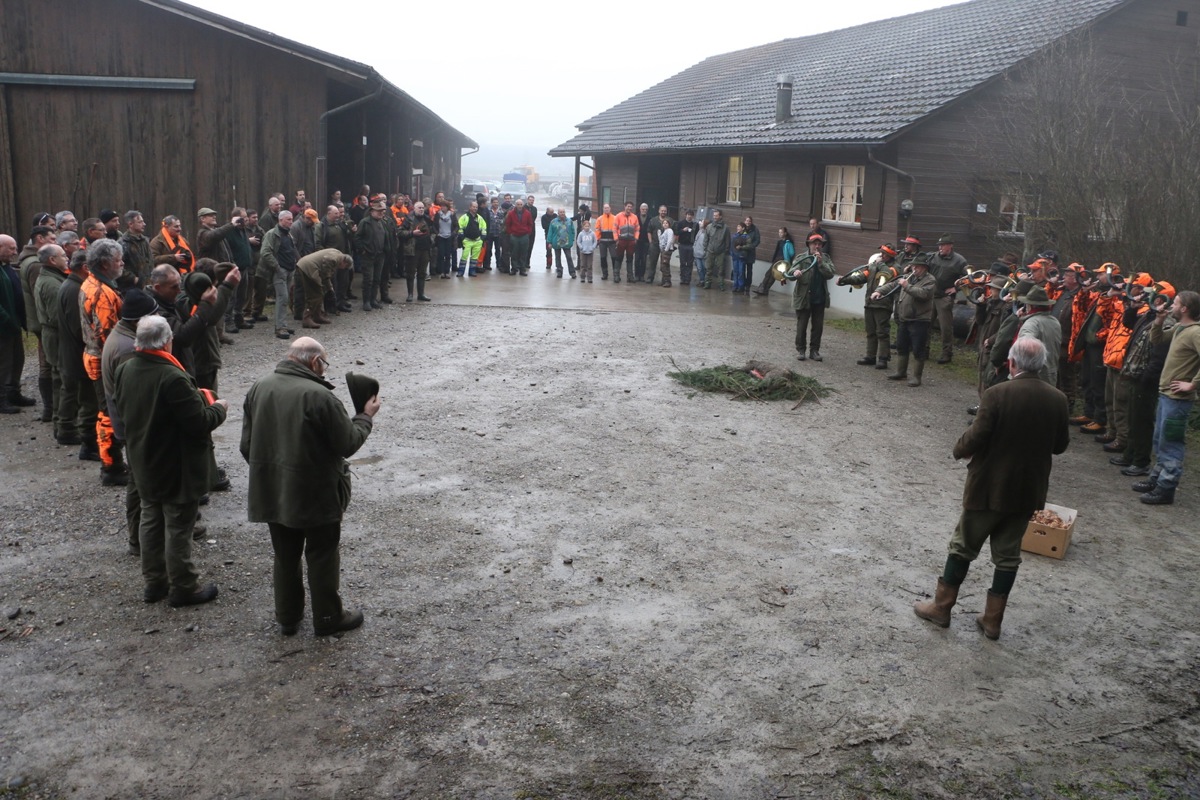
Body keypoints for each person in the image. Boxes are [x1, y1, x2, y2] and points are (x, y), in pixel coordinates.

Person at [913, 337, 1068, 640]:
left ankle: (942, 608)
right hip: (1027, 490)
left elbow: (976, 436)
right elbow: (1060, 446)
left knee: (962, 546)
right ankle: (993, 621)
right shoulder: (1058, 399)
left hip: (988, 487)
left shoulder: (997, 394)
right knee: (1008, 556)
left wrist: (959, 449)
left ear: (1012, 363)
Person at [241, 337, 380, 636]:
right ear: (315, 362)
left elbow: (246, 446)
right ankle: (328, 617)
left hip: (272, 491)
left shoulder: (259, 387)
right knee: (322, 553)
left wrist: (272, 470)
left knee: (285, 553)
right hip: (315, 492)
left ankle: (287, 617)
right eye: (324, 364)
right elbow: (348, 443)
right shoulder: (320, 396)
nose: (324, 371)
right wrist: (365, 417)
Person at [113, 315, 228, 607]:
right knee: (178, 525)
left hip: (143, 459)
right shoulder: (172, 377)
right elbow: (199, 422)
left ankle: (155, 583)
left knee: (151, 519)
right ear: (167, 341)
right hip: (174, 464)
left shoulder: (126, 369)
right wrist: (219, 408)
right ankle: (184, 587)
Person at [1135, 290, 1200, 505]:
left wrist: (1192, 383)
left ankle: (1166, 488)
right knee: (1160, 439)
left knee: (1171, 443)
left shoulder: (1195, 332)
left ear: (1185, 309)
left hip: (1178, 398)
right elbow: (1157, 340)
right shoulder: (1180, 328)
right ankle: (1157, 479)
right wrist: (1159, 320)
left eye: (1176, 303)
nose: (1171, 305)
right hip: (1166, 394)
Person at [80, 240, 127, 485]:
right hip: (104, 361)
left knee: (107, 410)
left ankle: (112, 462)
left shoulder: (92, 282)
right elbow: (109, 335)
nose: (122, 263)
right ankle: (112, 466)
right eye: (119, 260)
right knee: (108, 413)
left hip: (97, 357)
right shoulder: (101, 293)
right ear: (106, 263)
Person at [886, 253, 937, 386]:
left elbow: (923, 294)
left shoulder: (930, 280)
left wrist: (906, 286)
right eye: (913, 266)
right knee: (902, 346)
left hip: (919, 320)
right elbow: (893, 285)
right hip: (905, 318)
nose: (914, 269)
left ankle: (916, 377)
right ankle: (901, 372)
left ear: (924, 268)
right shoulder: (909, 277)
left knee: (918, 349)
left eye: (918, 267)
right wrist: (879, 291)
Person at [790, 232, 835, 361]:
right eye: (814, 243)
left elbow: (831, 273)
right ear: (809, 245)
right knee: (802, 325)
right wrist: (795, 272)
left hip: (819, 298)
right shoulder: (801, 257)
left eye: (819, 244)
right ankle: (801, 350)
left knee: (818, 326)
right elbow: (790, 271)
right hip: (804, 297)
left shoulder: (825, 258)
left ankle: (814, 351)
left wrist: (821, 263)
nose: (817, 246)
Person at [856, 243, 900, 370]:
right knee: (870, 331)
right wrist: (845, 280)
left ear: (891, 255)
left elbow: (887, 274)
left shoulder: (895, 267)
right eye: (881, 252)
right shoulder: (874, 265)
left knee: (882, 332)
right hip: (869, 302)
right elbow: (862, 276)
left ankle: (883, 358)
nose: (881, 255)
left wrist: (879, 263)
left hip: (883, 304)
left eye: (884, 253)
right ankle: (870, 356)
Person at [927, 234, 968, 363]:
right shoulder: (932, 257)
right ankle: (924, 349)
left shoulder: (959, 261)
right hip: (929, 296)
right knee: (925, 323)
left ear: (950, 246)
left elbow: (968, 278)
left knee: (945, 327)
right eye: (939, 245)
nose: (940, 247)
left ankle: (947, 353)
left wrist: (956, 289)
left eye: (943, 245)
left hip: (944, 297)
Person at [1015, 286, 1062, 386]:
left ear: (1030, 306)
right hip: (1050, 375)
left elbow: (1024, 349)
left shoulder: (1031, 323)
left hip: (1032, 378)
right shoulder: (1054, 321)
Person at [261, 210, 297, 336]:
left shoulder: (288, 234)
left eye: (291, 219)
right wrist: (277, 267)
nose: (291, 222)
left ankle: (283, 325)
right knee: (283, 298)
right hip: (280, 270)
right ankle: (280, 328)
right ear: (280, 220)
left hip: (289, 270)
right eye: (288, 219)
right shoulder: (272, 234)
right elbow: (265, 253)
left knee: (285, 299)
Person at [0, 233, 26, 414]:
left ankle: (13, 392)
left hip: (14, 324)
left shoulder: (6, 267)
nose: (15, 252)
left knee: (17, 360)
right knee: (3, 364)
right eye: (11, 248)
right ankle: (2, 400)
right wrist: (7, 320)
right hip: (4, 326)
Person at [399, 201, 433, 302]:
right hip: (412, 250)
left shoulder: (427, 218)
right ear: (414, 209)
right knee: (410, 273)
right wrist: (412, 233)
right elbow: (400, 232)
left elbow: (434, 230)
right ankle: (410, 294)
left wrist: (432, 240)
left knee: (422, 273)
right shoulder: (408, 219)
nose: (421, 209)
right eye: (419, 208)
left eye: (422, 208)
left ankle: (421, 294)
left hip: (425, 249)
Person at [753, 227, 794, 296]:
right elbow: (776, 251)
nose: (780, 234)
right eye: (779, 232)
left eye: (781, 232)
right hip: (776, 260)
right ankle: (763, 288)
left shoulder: (788, 243)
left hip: (782, 262)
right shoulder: (780, 242)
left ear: (785, 233)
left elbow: (792, 253)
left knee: (773, 275)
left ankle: (764, 289)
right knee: (769, 274)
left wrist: (786, 257)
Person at [504, 199, 535, 277]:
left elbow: (530, 224)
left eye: (521, 204)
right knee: (514, 253)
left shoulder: (527, 213)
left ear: (522, 205)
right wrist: (510, 233)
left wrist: (528, 232)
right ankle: (514, 269)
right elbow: (508, 224)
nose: (519, 206)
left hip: (524, 236)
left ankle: (522, 269)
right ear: (516, 205)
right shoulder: (511, 213)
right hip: (514, 236)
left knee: (523, 253)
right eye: (518, 204)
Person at [457, 201, 488, 277]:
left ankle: (472, 271)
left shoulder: (480, 218)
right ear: (470, 207)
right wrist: (462, 238)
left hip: (477, 241)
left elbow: (484, 228)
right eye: (473, 207)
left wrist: (482, 238)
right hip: (467, 240)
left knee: (474, 258)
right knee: (464, 256)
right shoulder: (464, 217)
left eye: (476, 207)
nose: (475, 208)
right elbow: (460, 227)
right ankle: (461, 272)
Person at [646, 205, 675, 285]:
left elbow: (675, 233)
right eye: (662, 210)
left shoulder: (671, 220)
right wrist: (650, 242)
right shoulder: (653, 220)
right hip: (655, 244)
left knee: (664, 264)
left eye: (665, 211)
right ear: (659, 211)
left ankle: (665, 280)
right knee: (652, 262)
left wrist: (671, 244)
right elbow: (649, 231)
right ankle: (650, 278)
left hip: (665, 247)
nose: (663, 212)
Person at [703, 210, 730, 291]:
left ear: (720, 216)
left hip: (720, 252)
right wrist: (706, 248)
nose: (714, 217)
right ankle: (707, 284)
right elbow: (706, 239)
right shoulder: (709, 227)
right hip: (710, 251)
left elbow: (727, 241)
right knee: (708, 269)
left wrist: (725, 251)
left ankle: (721, 285)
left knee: (721, 271)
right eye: (714, 215)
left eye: (716, 215)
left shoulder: (726, 228)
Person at [733, 216, 760, 295]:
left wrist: (751, 246)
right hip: (742, 253)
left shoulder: (755, 230)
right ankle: (742, 284)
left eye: (749, 221)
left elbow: (757, 241)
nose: (748, 222)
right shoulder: (742, 229)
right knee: (741, 270)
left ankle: (748, 285)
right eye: (746, 221)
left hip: (750, 253)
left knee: (749, 270)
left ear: (751, 222)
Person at [613, 202, 639, 284]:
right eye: (628, 206)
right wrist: (616, 239)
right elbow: (614, 228)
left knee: (630, 258)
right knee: (618, 258)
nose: (629, 208)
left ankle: (630, 276)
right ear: (625, 207)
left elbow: (637, 229)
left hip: (631, 241)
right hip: (621, 240)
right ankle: (616, 275)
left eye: (631, 207)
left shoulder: (635, 217)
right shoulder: (618, 216)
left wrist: (636, 239)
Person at [546, 209, 576, 279]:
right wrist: (549, 242)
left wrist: (572, 240)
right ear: (558, 213)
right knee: (558, 257)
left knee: (569, 257)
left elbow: (572, 231)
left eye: (563, 212)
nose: (562, 213)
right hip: (557, 242)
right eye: (560, 212)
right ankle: (559, 271)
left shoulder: (569, 221)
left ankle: (572, 272)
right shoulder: (553, 222)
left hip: (567, 243)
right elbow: (550, 232)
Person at [593, 203, 618, 280]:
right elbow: (597, 230)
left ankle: (615, 274)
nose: (606, 209)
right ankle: (605, 274)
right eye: (605, 208)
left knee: (614, 258)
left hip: (612, 242)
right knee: (603, 258)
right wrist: (597, 240)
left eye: (607, 208)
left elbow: (617, 229)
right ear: (603, 209)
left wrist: (617, 239)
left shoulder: (615, 218)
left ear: (610, 209)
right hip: (602, 242)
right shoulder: (599, 219)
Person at [675, 211, 698, 287]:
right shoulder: (681, 223)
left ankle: (688, 279)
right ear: (686, 215)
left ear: (693, 216)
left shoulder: (695, 225)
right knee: (682, 262)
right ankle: (682, 278)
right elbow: (677, 232)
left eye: (691, 215)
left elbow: (697, 234)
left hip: (691, 245)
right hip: (682, 244)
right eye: (688, 215)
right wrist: (683, 230)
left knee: (689, 263)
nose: (689, 216)